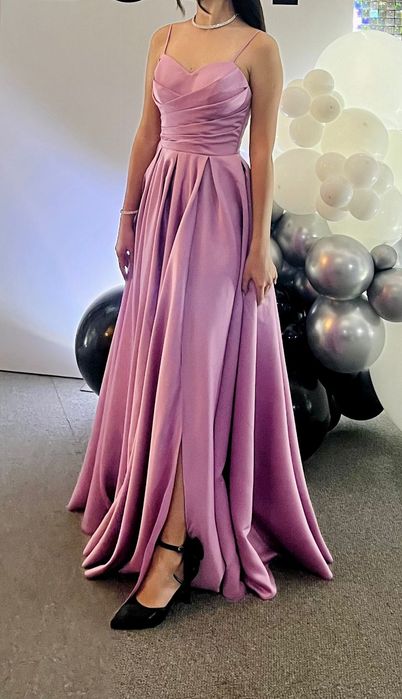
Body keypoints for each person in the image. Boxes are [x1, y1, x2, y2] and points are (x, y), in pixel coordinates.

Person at [67, 0, 334, 631]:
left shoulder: (258, 48)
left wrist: (259, 244)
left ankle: (174, 548)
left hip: (220, 210)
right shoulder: (163, 35)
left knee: (196, 368)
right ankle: (160, 507)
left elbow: (262, 150)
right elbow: (146, 131)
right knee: (165, 357)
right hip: (164, 204)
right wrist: (127, 216)